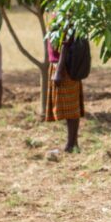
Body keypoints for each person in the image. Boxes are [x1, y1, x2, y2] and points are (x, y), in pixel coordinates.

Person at [44, 15, 84, 154]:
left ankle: (71, 145)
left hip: (65, 67)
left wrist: (59, 70)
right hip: (60, 65)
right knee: (69, 108)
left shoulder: (64, 13)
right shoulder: (56, 11)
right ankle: (73, 144)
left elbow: (65, 43)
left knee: (71, 109)